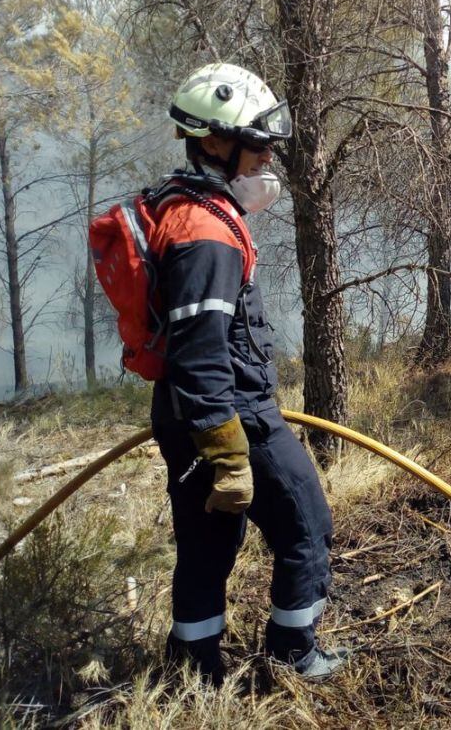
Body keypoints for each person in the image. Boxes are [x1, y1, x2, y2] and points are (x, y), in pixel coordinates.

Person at [150, 63, 347, 682]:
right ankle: (295, 653)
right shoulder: (205, 232)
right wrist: (228, 450)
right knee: (307, 526)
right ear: (213, 142)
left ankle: (194, 668)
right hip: (231, 419)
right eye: (257, 144)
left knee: (207, 547)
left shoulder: (188, 211)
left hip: (191, 417)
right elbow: (201, 352)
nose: (267, 158)